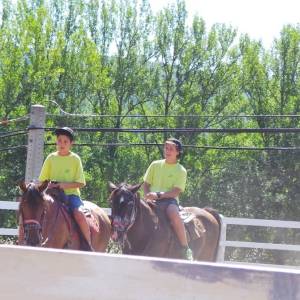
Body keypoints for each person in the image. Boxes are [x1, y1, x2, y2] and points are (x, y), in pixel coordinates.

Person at [39, 126, 93, 251]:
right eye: (59, 141)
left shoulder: (75, 159)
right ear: (56, 142)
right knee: (35, 210)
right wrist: (49, 185)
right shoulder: (51, 158)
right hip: (51, 195)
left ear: (71, 144)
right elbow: (42, 180)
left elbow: (81, 183)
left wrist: (62, 185)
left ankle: (88, 245)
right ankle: (27, 240)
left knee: (79, 214)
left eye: (65, 141)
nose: (62, 144)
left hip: (71, 195)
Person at [143, 138, 193, 260]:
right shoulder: (155, 165)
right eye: (166, 148)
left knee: (173, 213)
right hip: (151, 199)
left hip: (169, 200)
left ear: (178, 152)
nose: (167, 151)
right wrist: (147, 195)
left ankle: (185, 248)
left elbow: (176, 191)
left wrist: (158, 195)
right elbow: (146, 184)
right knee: (136, 212)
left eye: (171, 148)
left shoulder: (181, 170)